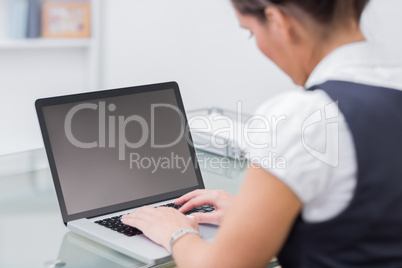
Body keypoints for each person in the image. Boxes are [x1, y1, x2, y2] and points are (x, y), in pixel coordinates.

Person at [122, 0, 402, 267]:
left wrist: (175, 232)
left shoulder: (305, 118)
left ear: (277, 20)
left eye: (250, 32)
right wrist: (253, 215)